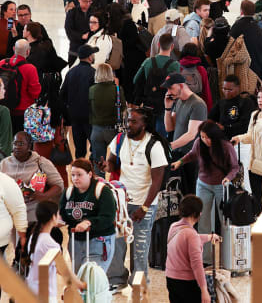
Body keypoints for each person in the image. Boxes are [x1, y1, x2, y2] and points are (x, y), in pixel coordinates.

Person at [104, 107, 169, 286]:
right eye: (127, 120)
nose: (128, 125)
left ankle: (139, 283)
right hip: (121, 202)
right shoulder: (120, 139)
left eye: (133, 121)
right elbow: (112, 161)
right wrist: (107, 166)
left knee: (140, 247)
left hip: (144, 203)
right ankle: (116, 280)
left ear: (144, 124)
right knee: (116, 242)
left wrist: (145, 207)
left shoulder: (154, 146)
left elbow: (157, 181)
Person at [169, 121, 238, 262]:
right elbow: (192, 154)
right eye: (202, 137)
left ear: (215, 136)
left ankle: (227, 258)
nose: (205, 140)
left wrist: (228, 178)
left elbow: (234, 167)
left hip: (221, 186)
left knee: (224, 220)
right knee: (202, 219)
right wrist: (179, 162)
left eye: (207, 137)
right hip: (203, 184)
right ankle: (206, 259)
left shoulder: (226, 147)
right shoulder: (199, 144)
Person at [60, 158, 117, 272]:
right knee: (79, 278)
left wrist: (88, 222)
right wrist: (59, 219)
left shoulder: (103, 191)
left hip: (98, 240)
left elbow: (108, 218)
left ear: (90, 174)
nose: (75, 178)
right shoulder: (68, 192)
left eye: (79, 175)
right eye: (73, 175)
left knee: (92, 279)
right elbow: (63, 214)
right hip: (75, 241)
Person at [24, 199, 86, 301]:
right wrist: (82, 285)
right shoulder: (50, 244)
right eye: (57, 214)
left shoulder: (33, 237)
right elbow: (64, 271)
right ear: (53, 217)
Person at [165, 195, 220, 303]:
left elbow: (187, 239)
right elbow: (197, 265)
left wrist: (209, 237)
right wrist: (204, 290)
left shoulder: (174, 227)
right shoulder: (191, 235)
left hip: (171, 278)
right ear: (197, 214)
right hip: (186, 283)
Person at [163, 72, 208, 194]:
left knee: (192, 192)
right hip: (179, 154)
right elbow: (169, 128)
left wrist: (169, 146)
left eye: (171, 87)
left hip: (192, 156)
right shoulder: (178, 101)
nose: (169, 91)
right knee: (181, 192)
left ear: (181, 85)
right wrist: (167, 108)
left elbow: (191, 134)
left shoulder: (197, 104)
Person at [60, 45, 96, 158]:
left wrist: (67, 113)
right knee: (95, 147)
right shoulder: (93, 72)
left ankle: (79, 170)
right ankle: (91, 172)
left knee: (79, 150)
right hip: (90, 116)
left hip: (74, 116)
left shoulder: (71, 72)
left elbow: (62, 95)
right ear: (89, 57)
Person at [1, 39, 41, 135]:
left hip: (3, 108)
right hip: (22, 112)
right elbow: (35, 93)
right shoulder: (30, 69)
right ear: (28, 51)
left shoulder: (2, 63)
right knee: (21, 139)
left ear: (14, 48)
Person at [87, 63, 119, 173]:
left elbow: (89, 108)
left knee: (98, 163)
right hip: (113, 129)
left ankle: (99, 186)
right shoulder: (117, 90)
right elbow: (123, 107)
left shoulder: (92, 89)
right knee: (117, 161)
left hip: (96, 130)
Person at [208, 75, 257, 139]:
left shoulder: (246, 102)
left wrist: (225, 128)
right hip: (222, 139)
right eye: (224, 89)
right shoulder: (221, 102)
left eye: (230, 90)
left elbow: (245, 125)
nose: (226, 92)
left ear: (238, 88)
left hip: (240, 141)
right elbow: (210, 118)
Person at [229, 0, 262, 77]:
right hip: (256, 64)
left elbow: (230, 43)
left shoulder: (237, 25)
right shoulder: (258, 27)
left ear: (241, 10)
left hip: (241, 64)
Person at [64, 0, 93, 65]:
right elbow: (69, 31)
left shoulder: (94, 12)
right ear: (79, 0)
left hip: (90, 50)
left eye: (90, 1)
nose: (88, 4)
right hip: (75, 50)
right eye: (85, 1)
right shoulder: (72, 13)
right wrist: (81, 36)